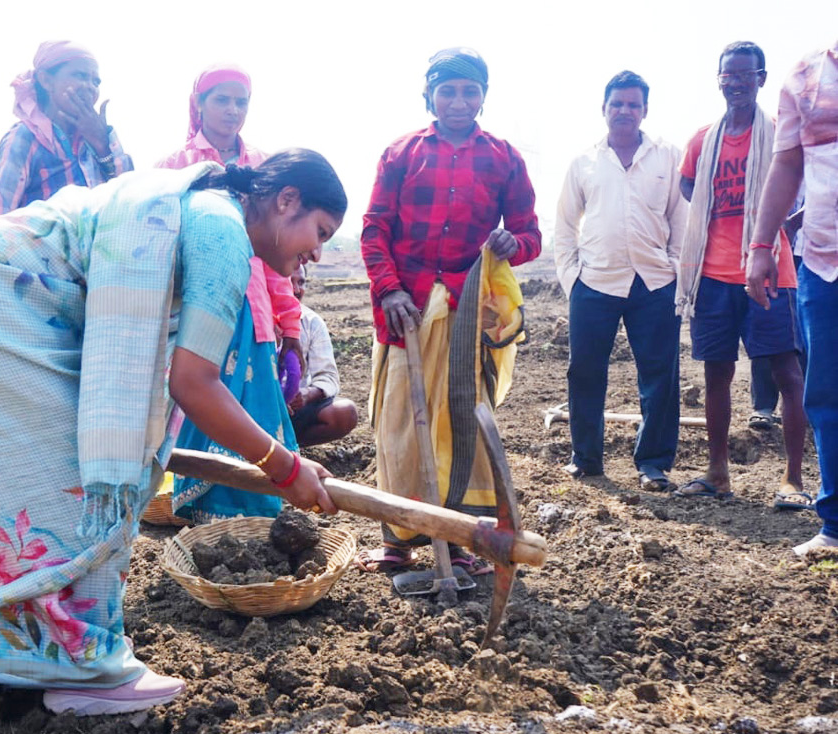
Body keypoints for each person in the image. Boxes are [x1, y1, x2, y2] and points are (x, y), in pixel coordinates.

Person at [0, 151, 347, 716]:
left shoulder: (205, 212)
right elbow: (194, 383)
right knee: (67, 477)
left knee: (14, 483)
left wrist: (282, 462)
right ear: (286, 201)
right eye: (320, 231)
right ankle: (77, 666)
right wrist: (283, 467)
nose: (318, 251)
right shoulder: (223, 237)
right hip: (0, 298)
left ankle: (8, 649)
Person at [358, 47, 538, 573]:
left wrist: (513, 244)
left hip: (466, 312)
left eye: (469, 90)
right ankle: (398, 541)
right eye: (447, 90)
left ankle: (458, 542)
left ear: (483, 96)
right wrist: (390, 290)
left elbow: (530, 235)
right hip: (406, 309)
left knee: (460, 421)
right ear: (429, 96)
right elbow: (375, 229)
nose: (459, 101)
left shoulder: (503, 157)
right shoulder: (401, 153)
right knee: (398, 422)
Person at [157, 66, 305, 522]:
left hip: (255, 309)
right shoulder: (175, 168)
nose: (232, 111)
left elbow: (278, 254)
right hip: (201, 313)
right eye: (222, 99)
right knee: (204, 408)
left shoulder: (266, 167)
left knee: (257, 415)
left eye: (241, 101)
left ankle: (260, 523)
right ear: (198, 104)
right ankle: (207, 523)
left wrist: (292, 329)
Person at [674, 42, 808, 508]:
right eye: (726, 74)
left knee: (787, 374)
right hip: (712, 274)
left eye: (744, 74)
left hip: (770, 271)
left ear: (761, 79)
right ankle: (718, 473)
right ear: (718, 79)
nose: (734, 82)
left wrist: (773, 226)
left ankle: (793, 478)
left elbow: (799, 187)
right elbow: (688, 182)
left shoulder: (780, 135)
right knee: (716, 373)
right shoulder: (702, 140)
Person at [554, 71, 686, 491]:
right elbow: (563, 225)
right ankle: (586, 459)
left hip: (653, 283)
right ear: (604, 109)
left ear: (645, 110)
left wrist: (674, 270)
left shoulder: (668, 157)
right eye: (617, 104)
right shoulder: (584, 162)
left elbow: (681, 220)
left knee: (659, 374)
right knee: (585, 372)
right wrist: (572, 278)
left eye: (633, 104)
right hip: (594, 283)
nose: (624, 111)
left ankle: (653, 463)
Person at [747, 40, 838, 554]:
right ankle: (836, 525)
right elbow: (786, 166)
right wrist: (763, 245)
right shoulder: (805, 77)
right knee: (826, 394)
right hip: (825, 262)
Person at [0, 40, 133, 220]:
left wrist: (101, 146)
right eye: (80, 75)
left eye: (96, 81)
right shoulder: (25, 138)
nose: (90, 87)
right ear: (46, 80)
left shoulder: (100, 136)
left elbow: (131, 201)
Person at [286, 263, 359, 446]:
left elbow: (328, 376)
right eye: (289, 281)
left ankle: (289, 446)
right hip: (257, 408)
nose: (296, 290)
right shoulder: (256, 319)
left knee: (345, 413)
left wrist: (306, 394)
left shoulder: (312, 322)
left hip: (295, 410)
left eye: (301, 282)